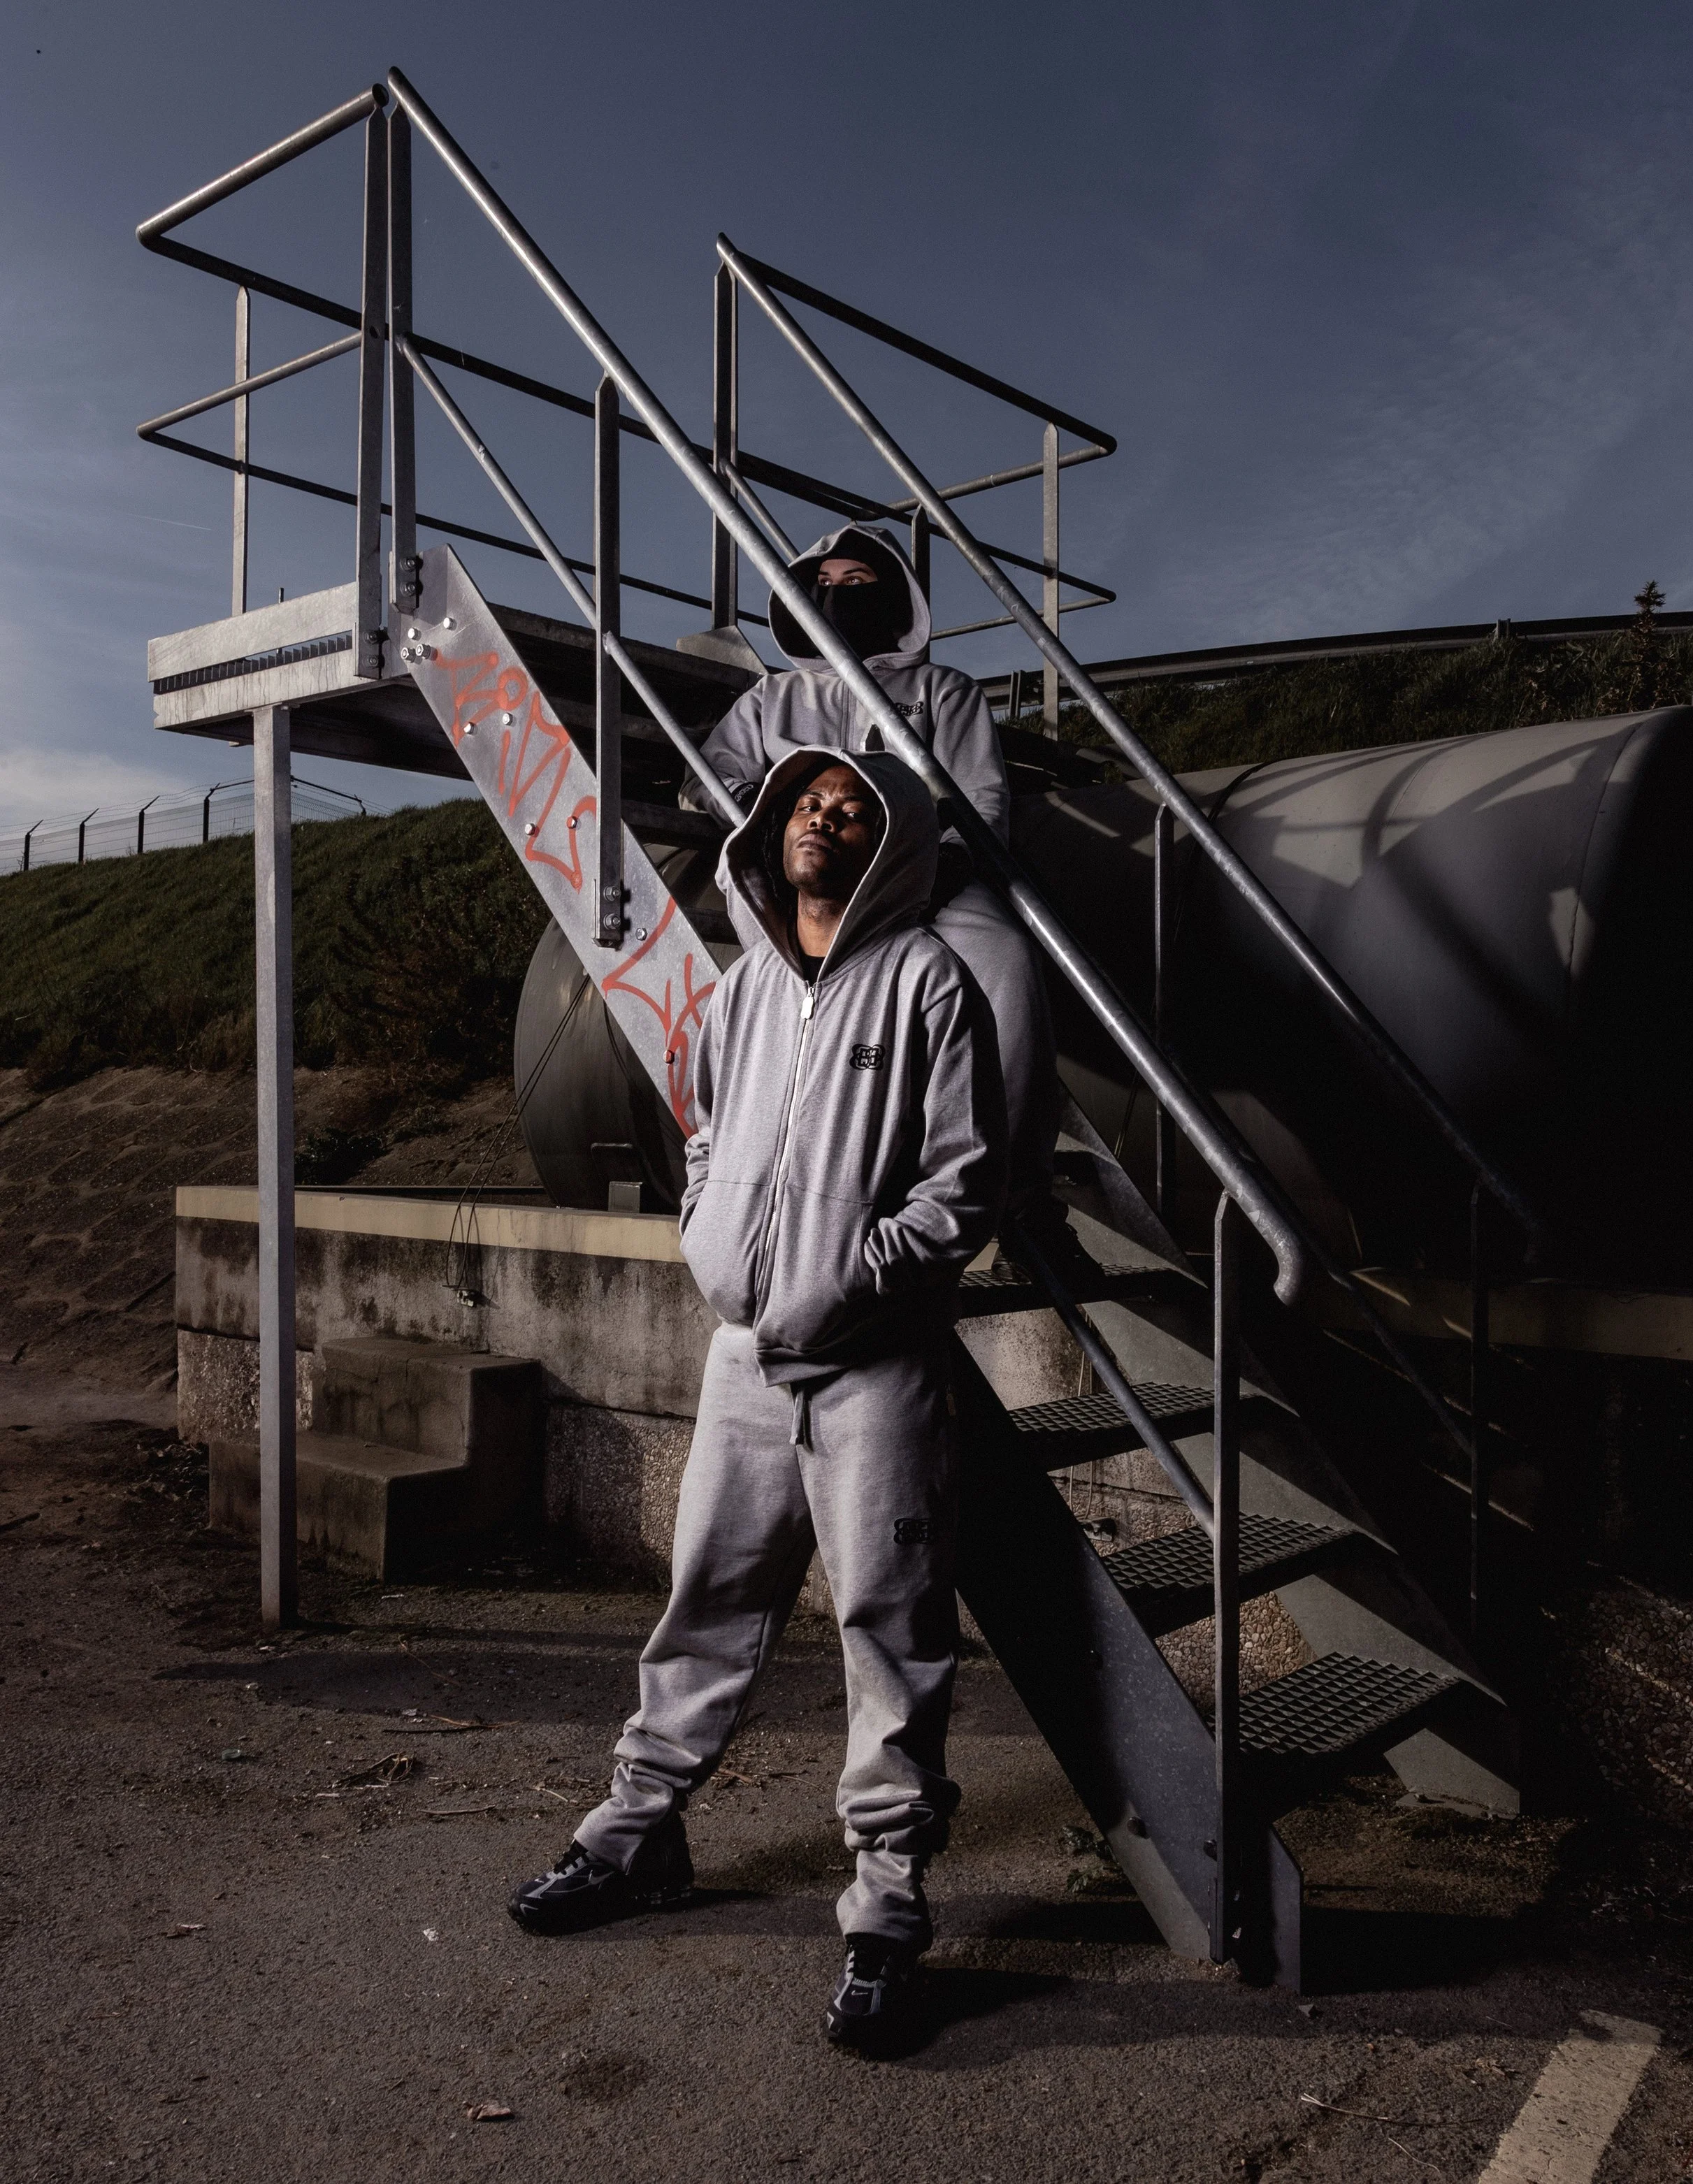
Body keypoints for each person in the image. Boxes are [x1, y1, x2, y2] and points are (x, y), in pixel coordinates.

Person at [510, 749, 1007, 2051]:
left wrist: (851, 1281)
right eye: (804, 801)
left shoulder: (928, 987)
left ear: (890, 842)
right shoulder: (734, 995)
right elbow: (712, 1139)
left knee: (890, 1634)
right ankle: (638, 1837)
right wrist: (714, 1245)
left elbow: (961, 1185)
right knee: (707, 1602)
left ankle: (889, 1920)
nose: (821, 817)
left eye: (851, 807)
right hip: (742, 1355)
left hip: (875, 1364)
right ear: (773, 828)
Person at [684, 523, 1067, 1254]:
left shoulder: (942, 691)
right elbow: (711, 773)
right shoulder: (774, 697)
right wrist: (767, 811)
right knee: (775, 996)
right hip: (805, 882)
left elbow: (980, 801)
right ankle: (758, 1188)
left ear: (893, 600)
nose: (836, 596)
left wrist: (927, 882)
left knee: (1008, 964)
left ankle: (1017, 1196)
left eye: (856, 584)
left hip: (924, 877)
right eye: (822, 585)